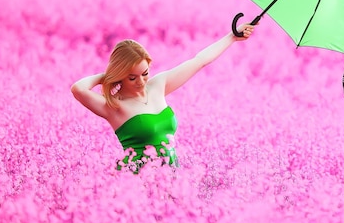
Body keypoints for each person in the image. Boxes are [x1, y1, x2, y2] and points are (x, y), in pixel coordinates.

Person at [70, 23, 257, 173]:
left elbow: (199, 61)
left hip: (170, 175)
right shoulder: (114, 106)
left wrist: (232, 37)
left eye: (145, 73)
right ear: (119, 75)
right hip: (135, 181)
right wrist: (106, 76)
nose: (141, 81)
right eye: (132, 77)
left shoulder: (158, 85)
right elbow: (78, 89)